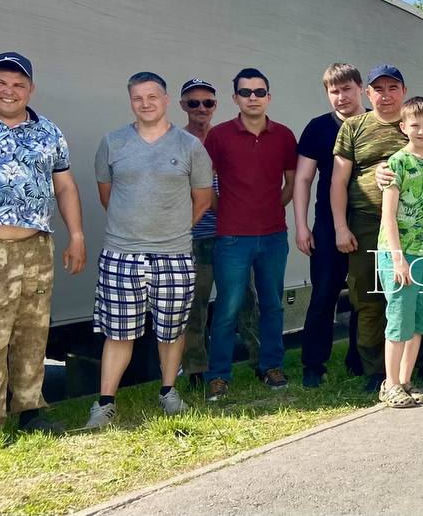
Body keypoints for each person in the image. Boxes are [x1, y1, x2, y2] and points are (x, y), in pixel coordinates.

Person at [0, 53, 86, 443]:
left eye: (19, 85)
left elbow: (64, 186)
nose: (10, 91)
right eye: (1, 82)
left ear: (31, 89)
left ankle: (31, 410)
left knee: (32, 332)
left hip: (35, 248)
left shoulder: (48, 131)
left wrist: (77, 236)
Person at [85, 73, 213, 428]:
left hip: (174, 254)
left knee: (171, 329)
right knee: (118, 331)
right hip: (121, 253)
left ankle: (168, 392)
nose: (146, 103)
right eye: (138, 98)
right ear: (130, 101)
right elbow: (107, 195)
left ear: (166, 100)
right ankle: (105, 403)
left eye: (152, 96)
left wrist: (173, 228)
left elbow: (203, 199)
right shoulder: (112, 142)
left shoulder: (189, 146)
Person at [202, 68, 298, 401]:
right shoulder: (219, 136)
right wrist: (224, 211)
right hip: (231, 237)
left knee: (272, 305)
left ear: (268, 97)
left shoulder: (284, 136)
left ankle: (271, 366)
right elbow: (204, 182)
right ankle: (218, 375)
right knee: (227, 308)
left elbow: (291, 183)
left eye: (259, 92)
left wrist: (272, 207)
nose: (252, 98)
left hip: (273, 236)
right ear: (235, 98)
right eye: (246, 92)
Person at [179, 77, 260, 390]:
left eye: (208, 102)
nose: (201, 108)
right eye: (194, 102)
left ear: (215, 105)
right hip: (194, 237)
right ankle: (196, 369)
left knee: (245, 301)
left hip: (231, 235)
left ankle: (260, 361)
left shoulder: (227, 138)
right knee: (195, 306)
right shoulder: (176, 141)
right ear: (183, 105)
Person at [332, 65, 409, 391]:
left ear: (404, 91)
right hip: (366, 223)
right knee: (368, 298)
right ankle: (375, 371)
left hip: (411, 226)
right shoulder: (354, 126)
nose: (386, 95)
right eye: (379, 89)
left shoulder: (416, 123)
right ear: (368, 93)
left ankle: (420, 363)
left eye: (393, 88)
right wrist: (340, 227)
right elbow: (339, 180)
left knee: (414, 294)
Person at [294, 63, 366, 387]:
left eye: (346, 89)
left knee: (364, 296)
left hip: (368, 223)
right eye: (334, 91)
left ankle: (359, 360)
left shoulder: (375, 124)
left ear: (360, 88)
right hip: (326, 225)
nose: (341, 97)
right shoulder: (318, 128)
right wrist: (301, 226)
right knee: (324, 295)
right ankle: (313, 365)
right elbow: (303, 179)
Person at [375, 97, 423, 408]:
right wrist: (397, 258)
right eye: (415, 125)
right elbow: (388, 215)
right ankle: (390, 383)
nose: (421, 130)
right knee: (399, 320)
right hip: (401, 254)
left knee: (419, 322)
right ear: (403, 127)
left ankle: (405, 381)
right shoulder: (397, 163)